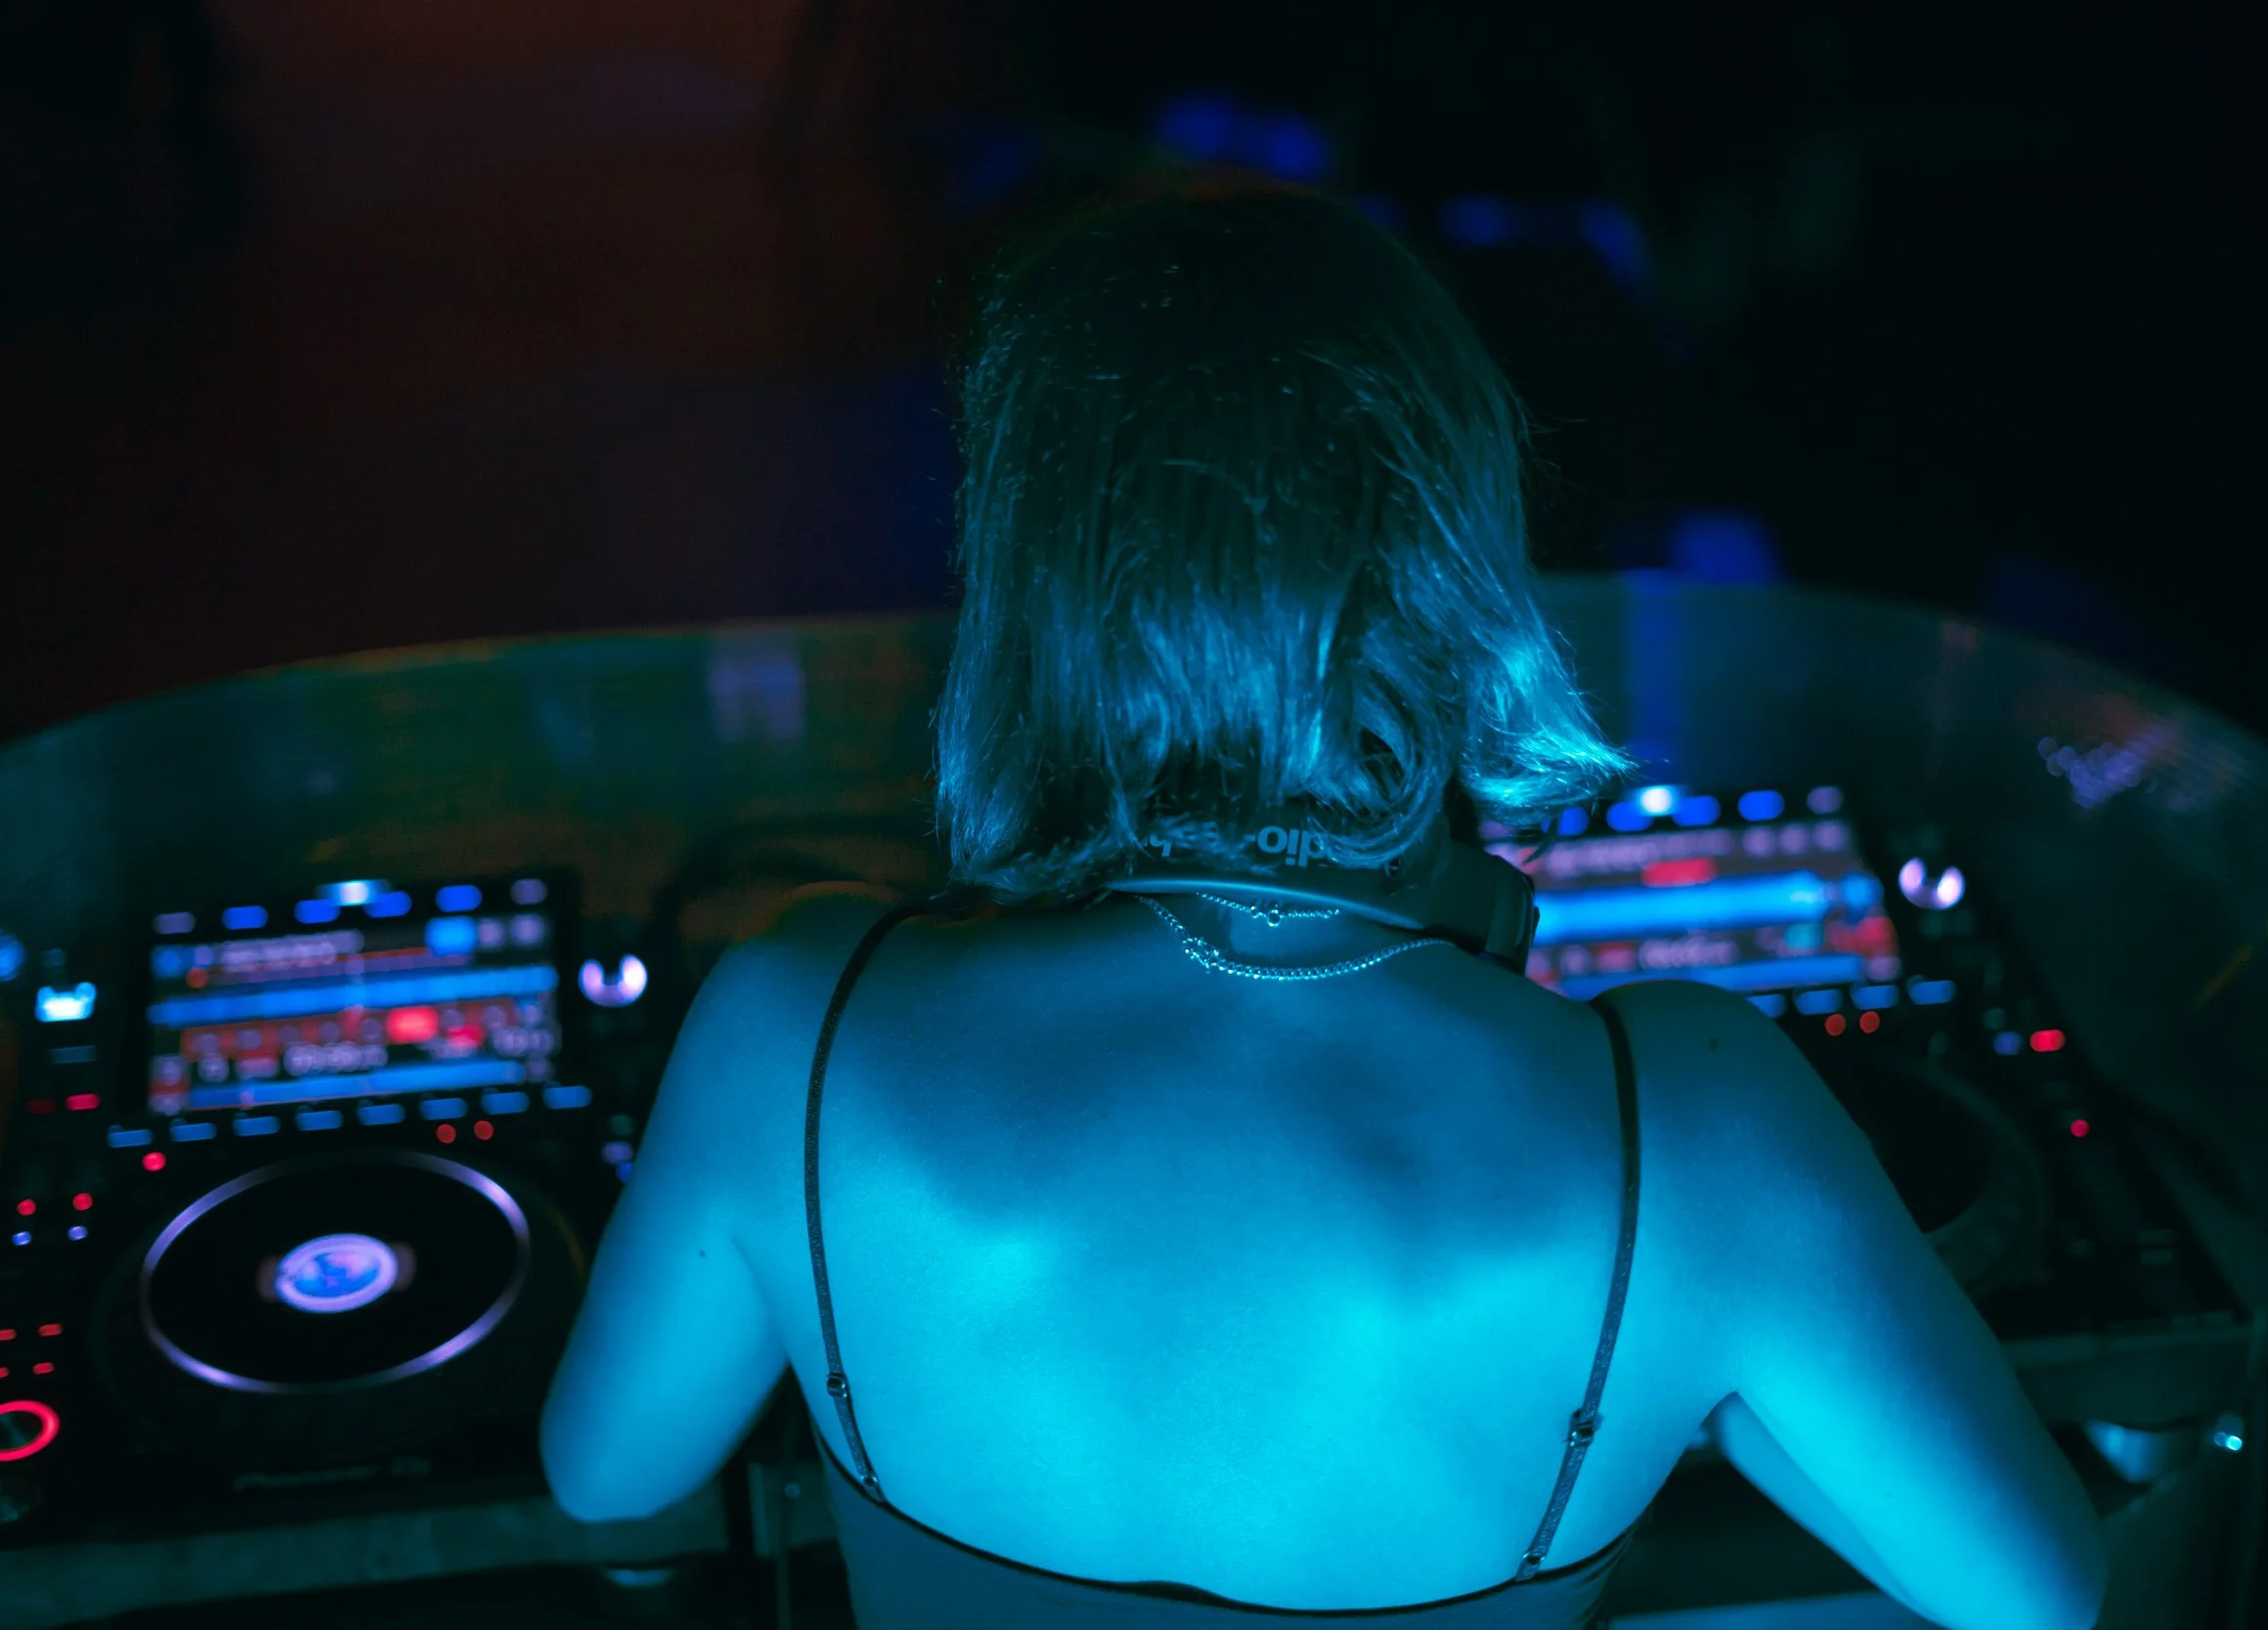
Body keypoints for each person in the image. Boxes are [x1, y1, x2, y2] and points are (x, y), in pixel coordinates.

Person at [540, 176, 2108, 1630]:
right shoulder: (1690, 1126)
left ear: (1034, 573)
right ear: (1454, 542)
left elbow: (608, 1475)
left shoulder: (798, 1018)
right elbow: (2032, 1599)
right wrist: (1690, 1367)